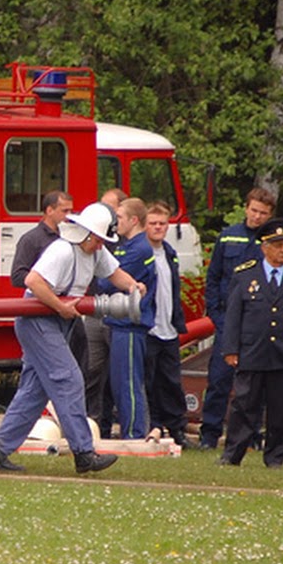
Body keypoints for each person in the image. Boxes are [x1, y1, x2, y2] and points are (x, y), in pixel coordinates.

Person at [0, 202, 145, 475]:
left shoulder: (93, 250)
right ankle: (83, 453)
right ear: (88, 234)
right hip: (39, 320)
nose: (102, 245)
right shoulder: (62, 250)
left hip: (55, 320)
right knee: (68, 379)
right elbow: (33, 281)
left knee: (34, 392)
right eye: (100, 240)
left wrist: (132, 285)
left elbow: (114, 273)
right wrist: (59, 306)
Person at [219, 219, 283, 468]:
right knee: (244, 406)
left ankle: (275, 457)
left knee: (281, 409)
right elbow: (233, 316)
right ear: (264, 247)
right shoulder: (245, 275)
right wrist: (231, 349)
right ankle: (232, 454)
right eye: (277, 245)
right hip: (252, 351)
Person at [199, 187, 276, 449]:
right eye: (254, 210)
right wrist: (217, 316)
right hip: (227, 322)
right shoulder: (228, 237)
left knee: (254, 385)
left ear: (270, 215)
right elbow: (213, 279)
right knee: (219, 380)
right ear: (246, 208)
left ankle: (251, 436)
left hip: (258, 326)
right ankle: (209, 435)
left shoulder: (274, 241)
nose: (257, 216)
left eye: (263, 213)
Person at [101, 197, 156, 439]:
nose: (116, 222)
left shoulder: (139, 249)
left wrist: (103, 276)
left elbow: (106, 281)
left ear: (134, 220)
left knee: (128, 383)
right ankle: (129, 430)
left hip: (130, 325)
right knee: (119, 381)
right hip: (119, 325)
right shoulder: (125, 245)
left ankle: (134, 433)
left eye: (120, 218)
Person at [144, 200, 189, 447]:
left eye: (162, 223)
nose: (158, 228)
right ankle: (153, 425)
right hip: (149, 328)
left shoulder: (170, 253)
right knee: (149, 380)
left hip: (169, 328)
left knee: (171, 380)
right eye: (153, 223)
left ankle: (177, 429)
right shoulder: (140, 253)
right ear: (144, 225)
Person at [84, 188, 126, 435]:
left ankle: (104, 427)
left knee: (115, 377)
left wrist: (132, 286)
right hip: (90, 312)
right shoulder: (74, 247)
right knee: (89, 373)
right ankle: (89, 426)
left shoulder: (117, 244)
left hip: (113, 314)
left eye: (110, 209)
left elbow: (115, 274)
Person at [9, 190, 74, 288]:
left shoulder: (71, 237)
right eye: (64, 211)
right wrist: (44, 280)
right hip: (39, 299)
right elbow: (17, 277)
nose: (69, 215)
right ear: (49, 211)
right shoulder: (31, 239)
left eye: (71, 211)